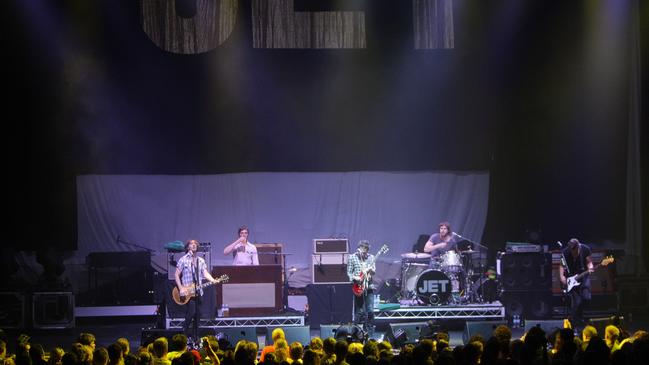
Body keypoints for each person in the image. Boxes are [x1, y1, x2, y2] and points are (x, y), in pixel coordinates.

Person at [175, 239, 219, 342]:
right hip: (187, 292)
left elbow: (205, 273)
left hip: (198, 292)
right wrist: (181, 288)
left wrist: (213, 280)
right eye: (191, 243)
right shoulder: (183, 259)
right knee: (191, 313)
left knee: (197, 315)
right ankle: (183, 333)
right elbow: (176, 274)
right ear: (187, 247)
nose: (194, 245)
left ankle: (195, 337)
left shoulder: (201, 260)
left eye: (195, 244)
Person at [559, 238, 594, 327]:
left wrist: (590, 267)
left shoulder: (585, 249)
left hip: (583, 276)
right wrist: (562, 277)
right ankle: (575, 320)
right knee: (577, 302)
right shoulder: (565, 252)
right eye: (571, 250)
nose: (573, 252)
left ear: (578, 247)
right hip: (572, 279)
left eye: (575, 250)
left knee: (586, 297)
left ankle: (579, 317)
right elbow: (562, 266)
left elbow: (589, 262)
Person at [347, 240, 376, 338]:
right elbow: (349, 274)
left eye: (366, 251)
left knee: (370, 311)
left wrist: (371, 270)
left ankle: (370, 336)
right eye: (363, 250)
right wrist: (355, 278)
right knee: (359, 312)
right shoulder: (352, 257)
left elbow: (373, 271)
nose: (365, 253)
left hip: (369, 287)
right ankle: (355, 335)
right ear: (359, 249)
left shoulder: (371, 257)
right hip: (358, 287)